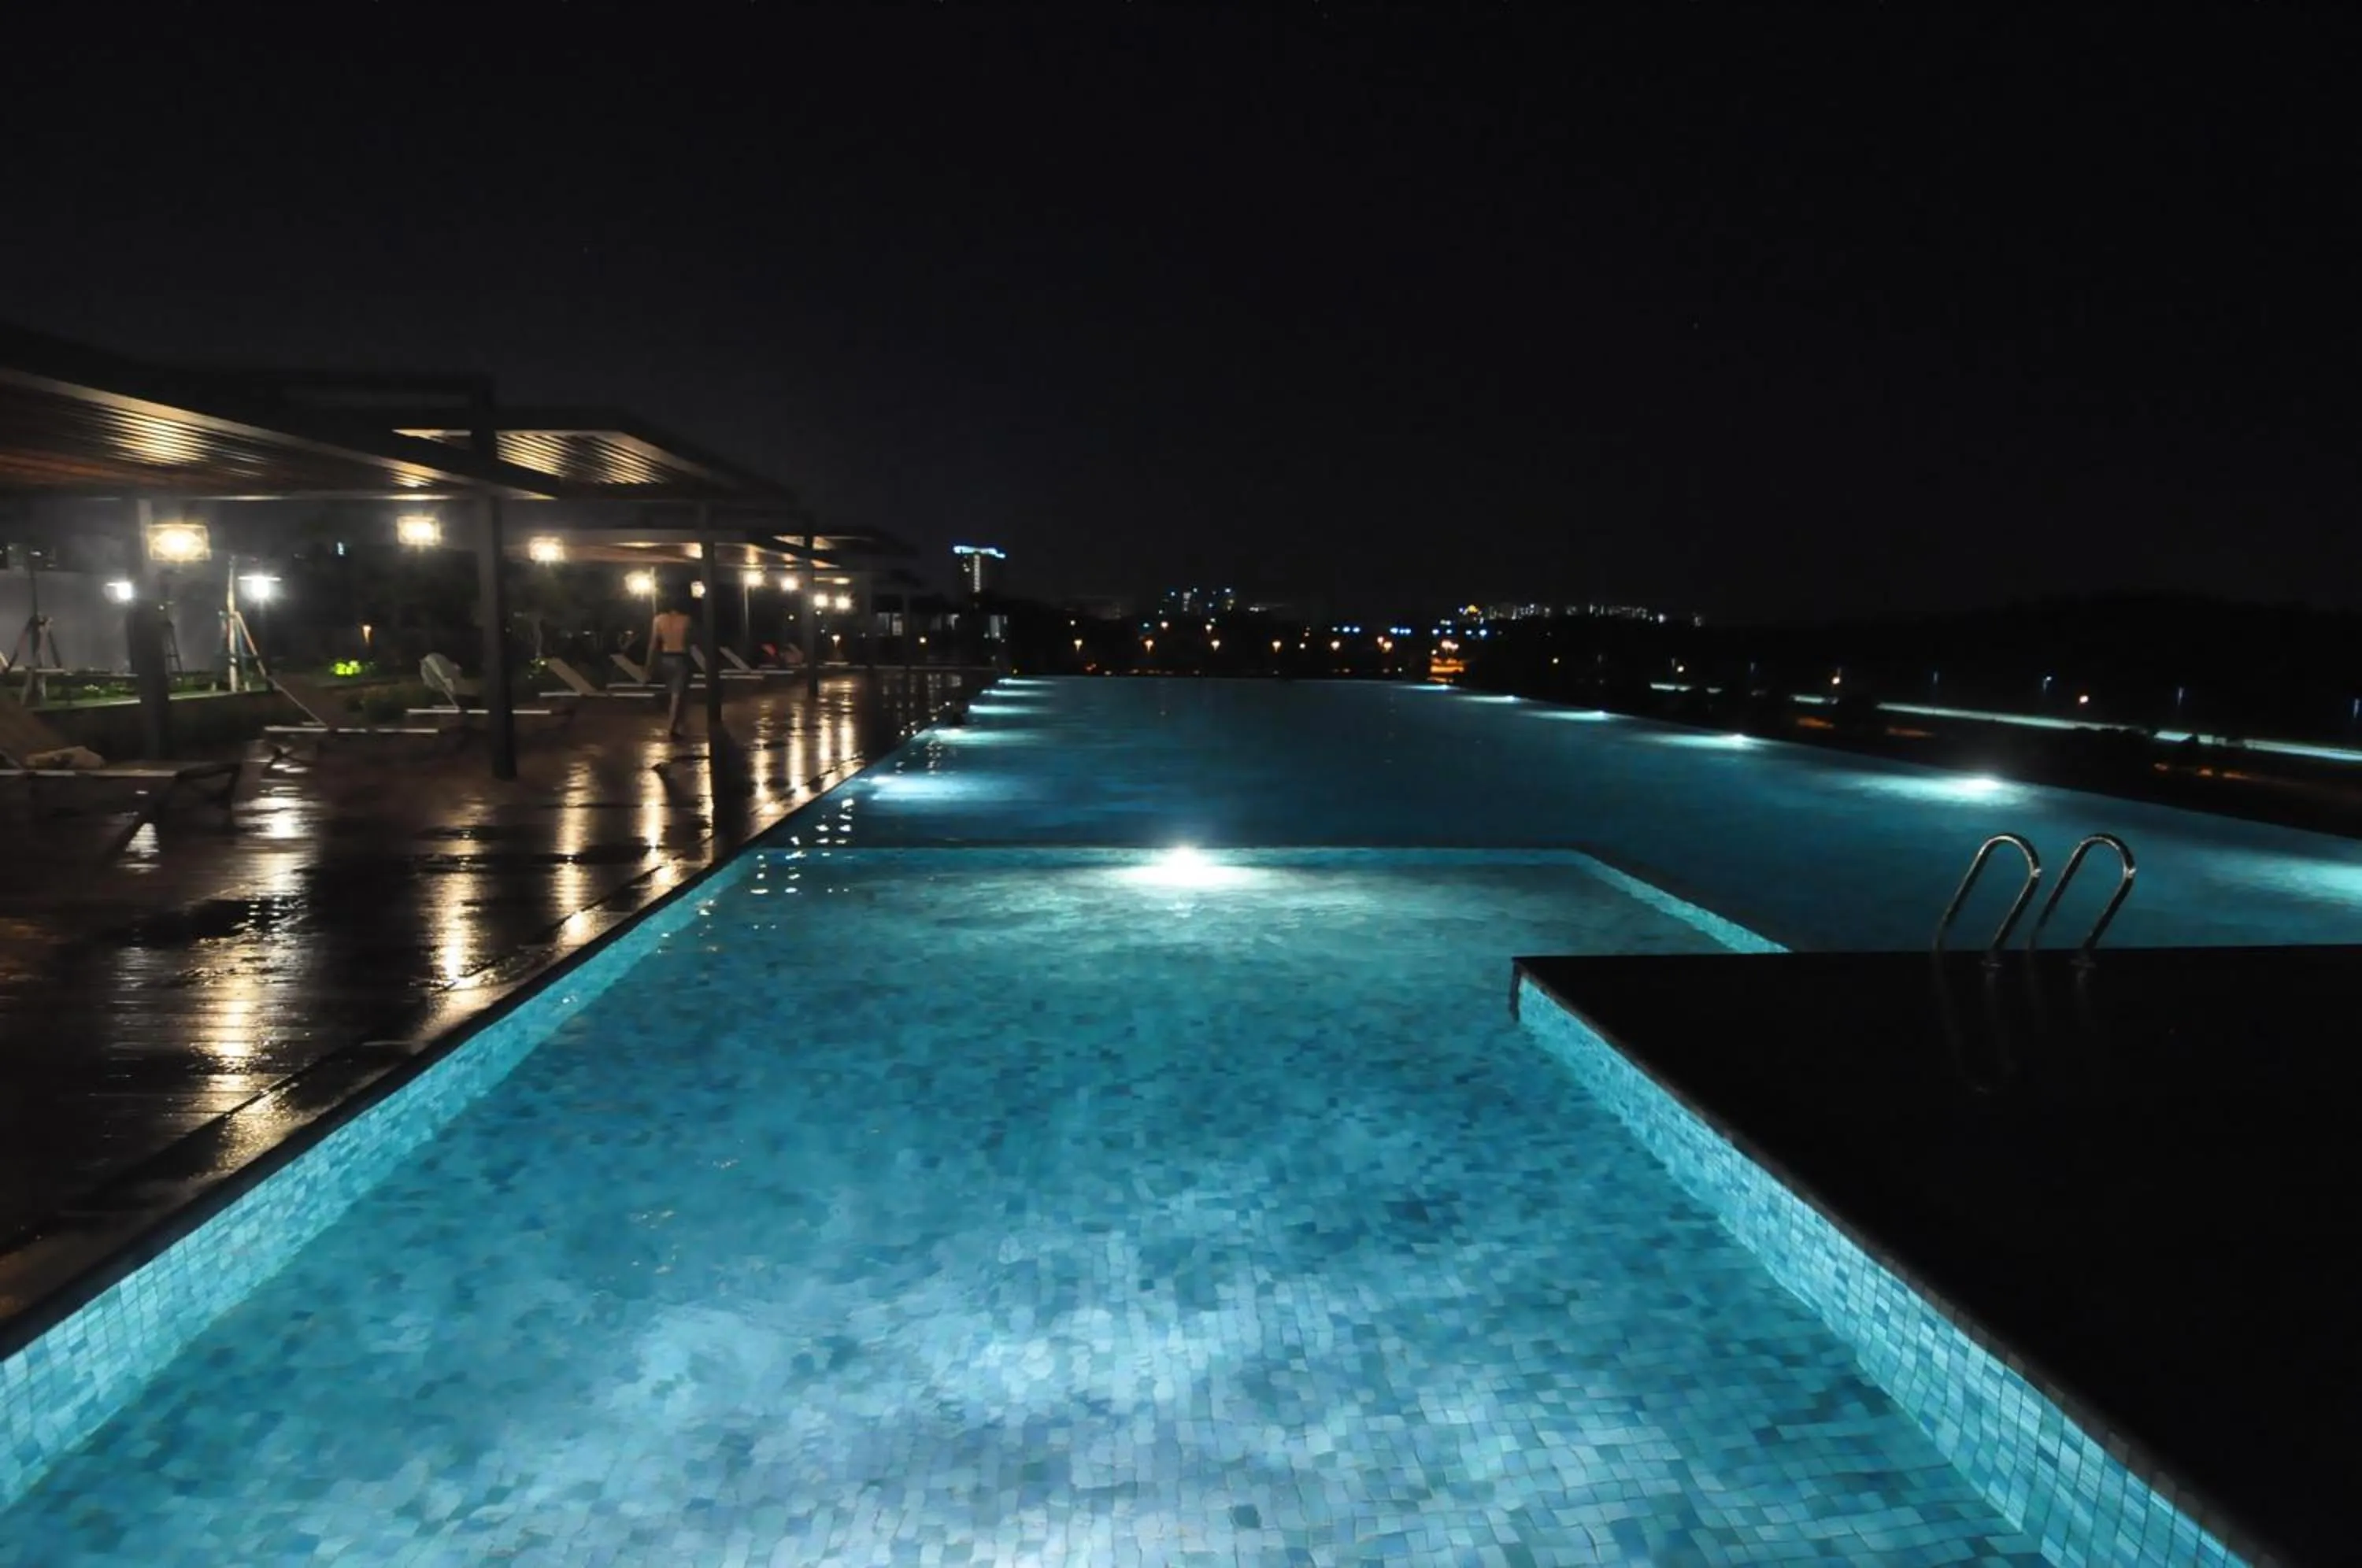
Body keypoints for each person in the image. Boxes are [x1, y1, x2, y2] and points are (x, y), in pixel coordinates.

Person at [646, 594, 695, 738]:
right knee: (679, 694)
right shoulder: (686, 620)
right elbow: (692, 641)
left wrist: (649, 664)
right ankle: (672, 727)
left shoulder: (658, 620)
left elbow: (653, 643)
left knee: (674, 692)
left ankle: (679, 723)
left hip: (665, 658)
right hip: (681, 657)